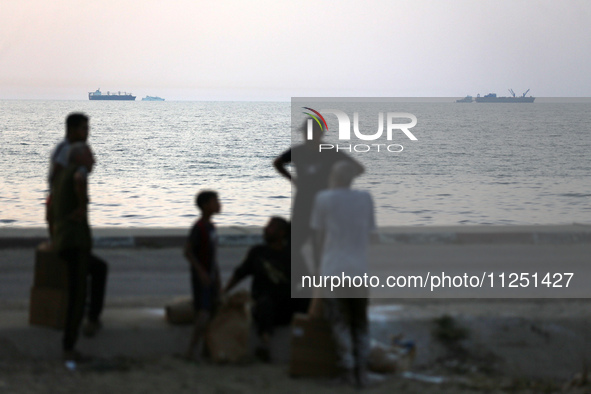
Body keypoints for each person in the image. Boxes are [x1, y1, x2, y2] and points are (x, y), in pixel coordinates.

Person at [273, 119, 364, 302]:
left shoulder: (330, 152)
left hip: (324, 209)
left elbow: (359, 169)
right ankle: (303, 279)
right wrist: (292, 180)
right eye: (305, 133)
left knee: (320, 252)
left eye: (312, 133)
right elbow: (277, 163)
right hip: (302, 207)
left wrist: (338, 186)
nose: (308, 137)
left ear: (320, 134)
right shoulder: (297, 152)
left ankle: (319, 297)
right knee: (290, 246)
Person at [309, 160, 376, 388]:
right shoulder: (365, 198)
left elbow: (319, 237)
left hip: (334, 268)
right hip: (359, 269)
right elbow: (370, 232)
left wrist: (318, 266)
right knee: (360, 322)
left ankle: (347, 371)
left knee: (339, 321)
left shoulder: (323, 199)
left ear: (332, 177)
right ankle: (363, 373)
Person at [51, 142, 108, 362]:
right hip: (74, 243)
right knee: (77, 296)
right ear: (80, 158)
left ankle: (93, 318)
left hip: (66, 241)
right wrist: (83, 204)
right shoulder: (77, 172)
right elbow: (80, 178)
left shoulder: (62, 174)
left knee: (100, 268)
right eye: (91, 156)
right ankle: (69, 348)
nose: (94, 160)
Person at [224, 216, 292, 362]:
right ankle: (265, 345)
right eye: (267, 226)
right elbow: (240, 274)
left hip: (286, 306)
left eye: (271, 227)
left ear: (281, 233)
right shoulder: (258, 253)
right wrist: (223, 292)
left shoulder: (291, 255)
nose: (265, 229)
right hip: (263, 305)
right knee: (265, 304)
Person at [184, 190, 222, 361]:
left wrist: (217, 277)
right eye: (215, 201)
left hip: (211, 276)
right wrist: (201, 272)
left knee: (213, 310)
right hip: (202, 278)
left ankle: (208, 349)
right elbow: (188, 251)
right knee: (203, 312)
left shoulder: (211, 227)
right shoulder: (199, 227)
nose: (219, 204)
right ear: (205, 205)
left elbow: (214, 256)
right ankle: (192, 350)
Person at [47, 113, 89, 239]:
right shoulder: (69, 149)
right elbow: (58, 175)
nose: (87, 133)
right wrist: (81, 205)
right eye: (84, 129)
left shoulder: (65, 147)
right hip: (67, 204)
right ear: (72, 130)